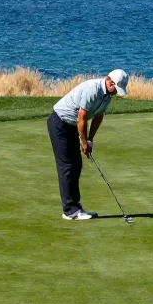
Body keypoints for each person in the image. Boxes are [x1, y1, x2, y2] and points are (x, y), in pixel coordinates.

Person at [48, 68, 129, 220]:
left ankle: (76, 207)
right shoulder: (93, 89)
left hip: (71, 125)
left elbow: (98, 117)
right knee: (67, 166)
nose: (116, 92)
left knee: (76, 165)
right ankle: (69, 211)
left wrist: (90, 140)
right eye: (116, 88)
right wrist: (84, 142)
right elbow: (82, 118)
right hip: (60, 123)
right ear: (109, 81)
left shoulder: (107, 95)